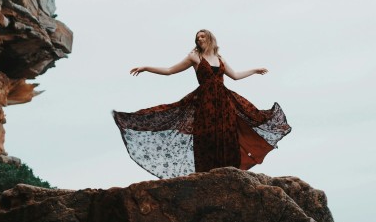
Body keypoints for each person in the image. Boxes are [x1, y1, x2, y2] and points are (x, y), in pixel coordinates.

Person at [112, 29, 291, 179]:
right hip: (205, 104)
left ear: (210, 38)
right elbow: (169, 71)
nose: (199, 39)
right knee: (207, 137)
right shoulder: (194, 57)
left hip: (223, 103)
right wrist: (146, 68)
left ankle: (229, 175)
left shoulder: (219, 58)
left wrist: (254, 70)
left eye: (202, 36)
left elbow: (235, 76)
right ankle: (208, 177)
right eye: (197, 37)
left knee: (228, 135)